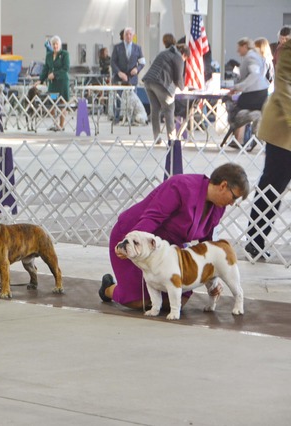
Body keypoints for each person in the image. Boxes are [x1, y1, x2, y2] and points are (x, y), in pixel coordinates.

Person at [99, 163, 249, 310]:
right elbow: (152, 218)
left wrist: (212, 279)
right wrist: (130, 243)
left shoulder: (218, 207)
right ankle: (108, 288)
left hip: (169, 249)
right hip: (136, 235)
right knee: (139, 301)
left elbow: (207, 245)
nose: (232, 203)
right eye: (234, 197)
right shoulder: (181, 186)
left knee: (178, 299)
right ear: (223, 185)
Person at [245, 39, 291, 259]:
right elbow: (284, 87)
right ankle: (255, 239)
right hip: (283, 128)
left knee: (275, 187)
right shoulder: (289, 48)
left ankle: (257, 239)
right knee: (272, 187)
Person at [142, 34, 190, 144]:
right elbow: (178, 78)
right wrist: (184, 88)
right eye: (186, 59)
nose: (185, 61)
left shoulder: (164, 53)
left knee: (155, 110)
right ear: (184, 54)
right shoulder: (178, 57)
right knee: (169, 109)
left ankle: (157, 138)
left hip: (148, 81)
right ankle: (171, 139)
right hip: (159, 83)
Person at [226, 38, 270, 145]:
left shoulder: (250, 57)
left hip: (255, 94)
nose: (237, 51)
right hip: (259, 92)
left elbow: (254, 75)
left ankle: (239, 139)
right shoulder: (256, 56)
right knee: (239, 108)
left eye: (239, 48)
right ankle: (241, 139)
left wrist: (238, 87)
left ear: (245, 46)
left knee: (233, 109)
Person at [110, 27, 145, 122]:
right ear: (123, 36)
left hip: (132, 79)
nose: (128, 36)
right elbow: (112, 62)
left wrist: (137, 69)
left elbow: (142, 63)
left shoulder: (138, 48)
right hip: (119, 78)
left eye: (130, 34)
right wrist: (119, 72)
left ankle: (131, 119)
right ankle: (116, 117)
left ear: (133, 36)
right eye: (126, 34)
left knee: (133, 99)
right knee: (118, 99)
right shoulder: (117, 47)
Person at [38, 35, 70, 131]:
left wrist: (55, 74)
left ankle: (61, 125)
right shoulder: (48, 56)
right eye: (53, 44)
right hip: (52, 85)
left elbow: (66, 68)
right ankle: (55, 124)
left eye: (57, 44)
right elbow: (45, 69)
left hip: (62, 83)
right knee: (51, 104)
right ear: (51, 45)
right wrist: (41, 80)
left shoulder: (65, 54)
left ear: (60, 45)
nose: (55, 46)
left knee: (62, 104)